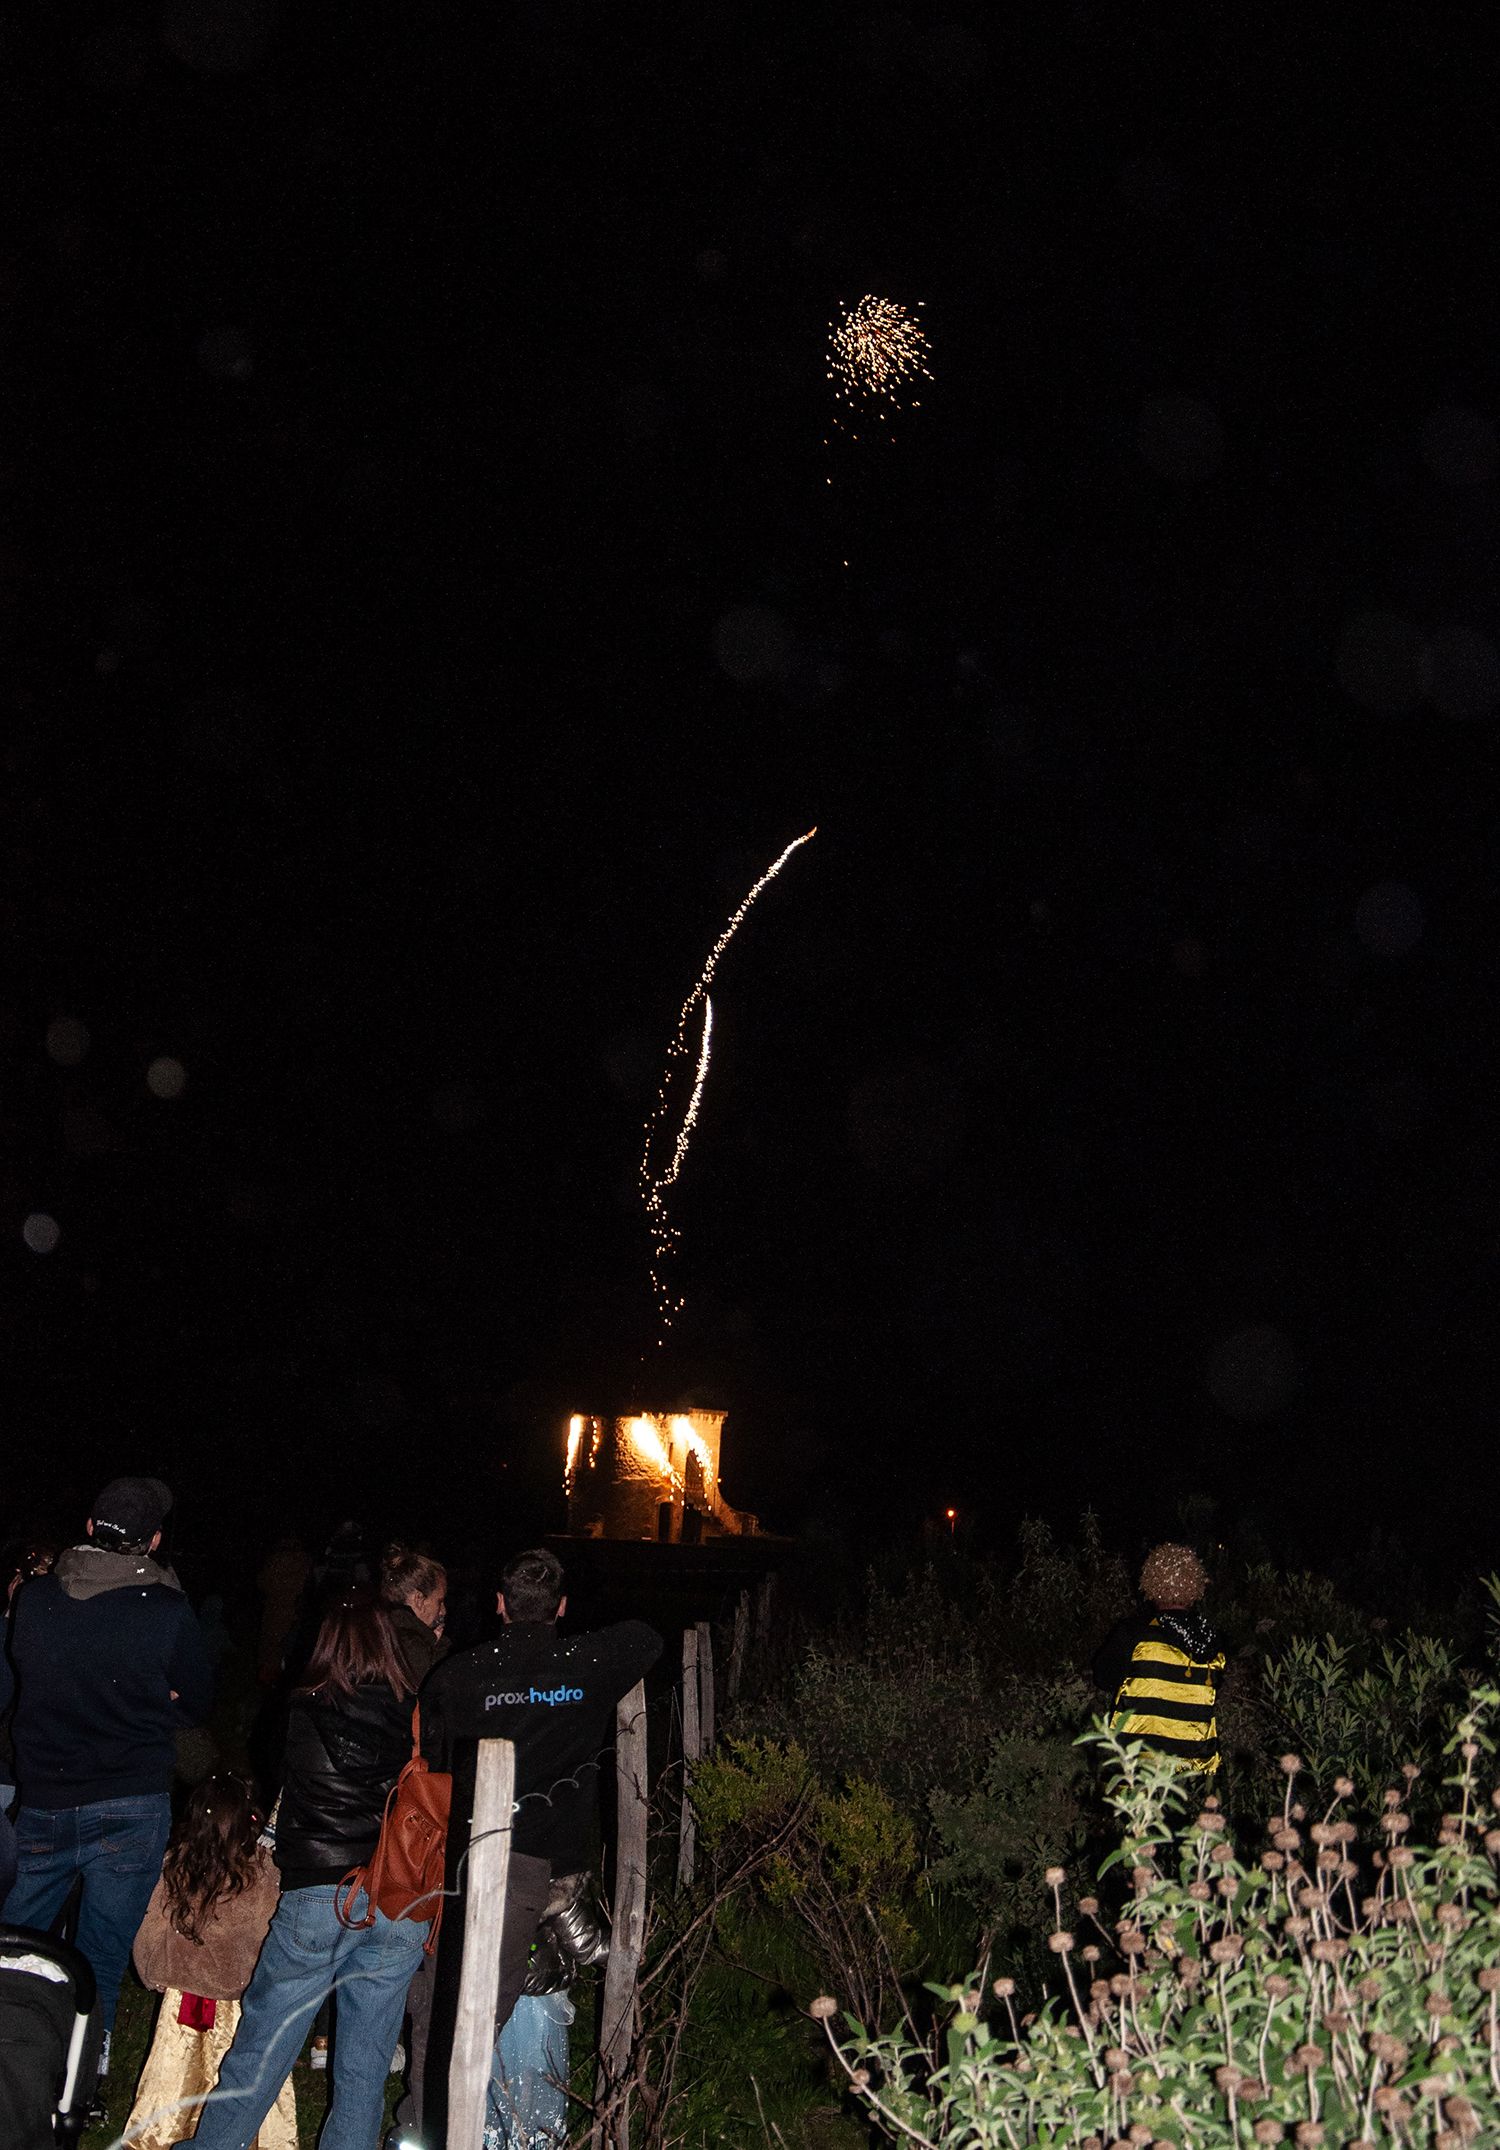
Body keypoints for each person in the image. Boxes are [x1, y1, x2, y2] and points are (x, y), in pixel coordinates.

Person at [395, 1547, 660, 2146]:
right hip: (543, 1866)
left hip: (463, 1858)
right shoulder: (585, 1664)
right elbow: (646, 1637)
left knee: (454, 1997)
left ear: (499, 1605)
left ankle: (436, 2123)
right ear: (561, 1607)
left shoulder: (459, 1674)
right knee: (487, 2003)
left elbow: (430, 1755)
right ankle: (455, 2126)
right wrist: (565, 1655)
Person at [189, 1596, 429, 2150]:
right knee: (366, 2065)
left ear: (325, 1645)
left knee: (262, 2052)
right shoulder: (420, 1713)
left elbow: (275, 1774)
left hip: (321, 1893)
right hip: (400, 1895)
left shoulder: (300, 1708)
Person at [1, 1477, 214, 2074]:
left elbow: (30, 1680)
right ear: (154, 1541)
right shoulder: (167, 1609)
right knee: (100, 1953)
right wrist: (153, 1700)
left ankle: (13, 2057)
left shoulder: (35, 1600)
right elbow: (196, 1702)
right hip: (132, 1802)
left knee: (15, 1944)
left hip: (46, 1799)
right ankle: (84, 2078)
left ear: (91, 1527)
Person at [125, 1774, 297, 2150]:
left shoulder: (179, 1863)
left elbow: (151, 1923)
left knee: (177, 2070)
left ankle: (170, 2136)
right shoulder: (265, 1869)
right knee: (239, 2071)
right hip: (235, 1998)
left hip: (195, 1994)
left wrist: (152, 1969)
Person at [1092, 1542, 1225, 1776]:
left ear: (1150, 1582)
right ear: (1197, 1583)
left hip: (1139, 1769)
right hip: (1195, 1771)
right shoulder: (1211, 1639)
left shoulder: (1133, 1632)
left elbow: (1103, 1678)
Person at [380, 1544, 449, 1687]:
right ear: (419, 1599)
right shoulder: (411, 1646)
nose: (443, 1611)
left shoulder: (381, 1629)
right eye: (439, 1601)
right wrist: (437, 1647)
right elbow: (434, 1690)